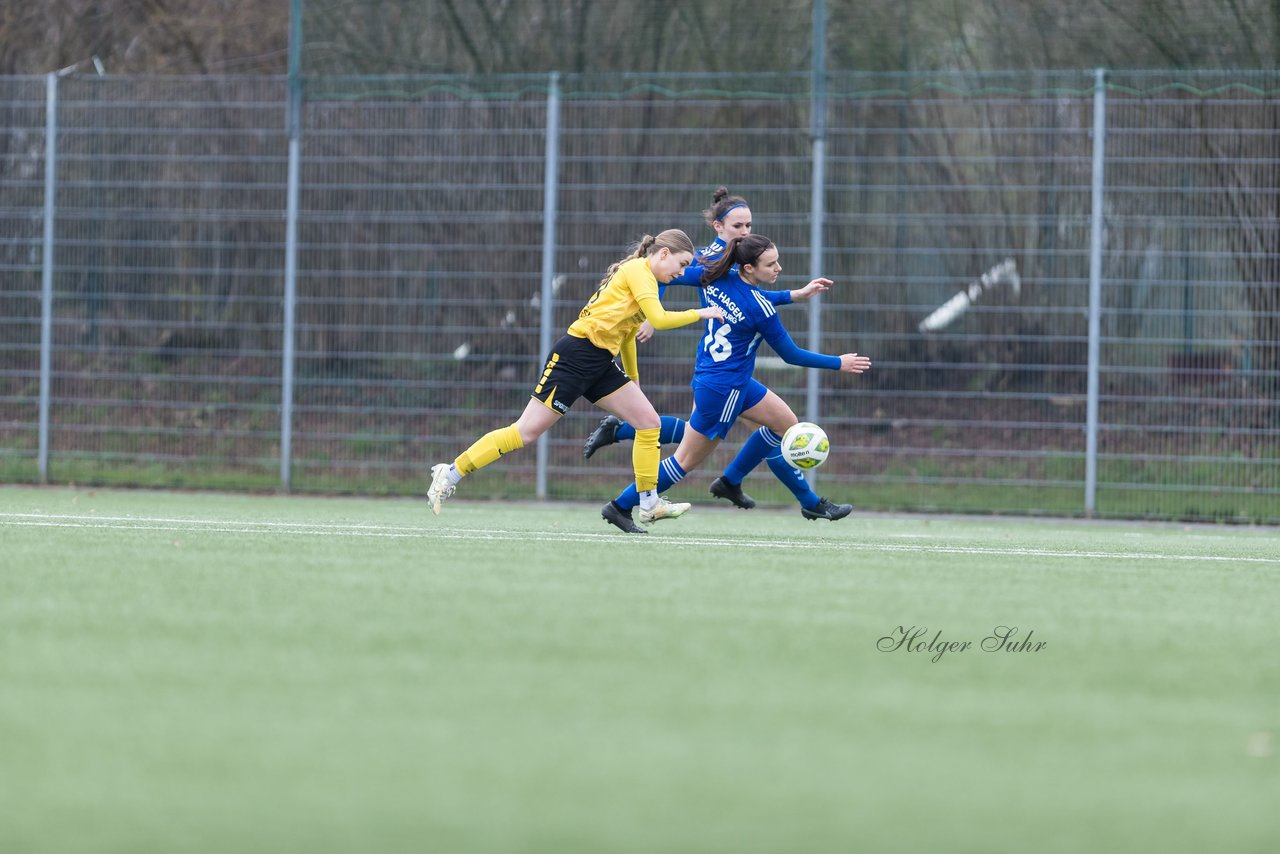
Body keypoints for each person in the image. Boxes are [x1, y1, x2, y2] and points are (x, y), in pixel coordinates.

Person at [427, 229, 724, 521]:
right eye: (682, 264)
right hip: (575, 356)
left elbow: (629, 334)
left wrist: (634, 379)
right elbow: (658, 319)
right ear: (663, 253)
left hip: (601, 362)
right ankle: (450, 473)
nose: (682, 272)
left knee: (648, 424)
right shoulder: (639, 271)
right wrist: (701, 312)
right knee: (525, 432)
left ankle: (649, 504)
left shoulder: (649, 280)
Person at [599, 234, 871, 534]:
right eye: (771, 264)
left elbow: (663, 277)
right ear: (749, 268)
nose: (778, 267)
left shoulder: (715, 277)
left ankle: (772, 492)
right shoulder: (760, 309)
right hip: (725, 389)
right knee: (685, 459)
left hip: (720, 376)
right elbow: (791, 354)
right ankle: (621, 504)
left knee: (785, 424)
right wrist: (838, 362)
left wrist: (795, 295)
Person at [582, 187, 828, 510]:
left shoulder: (737, 261)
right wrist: (652, 315)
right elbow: (663, 275)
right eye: (738, 227)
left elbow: (750, 299)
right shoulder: (710, 259)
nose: (745, 232)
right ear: (718, 227)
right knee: (705, 446)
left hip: (724, 367)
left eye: (749, 226)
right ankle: (631, 498)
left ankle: (752, 487)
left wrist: (792, 296)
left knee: (772, 427)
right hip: (721, 370)